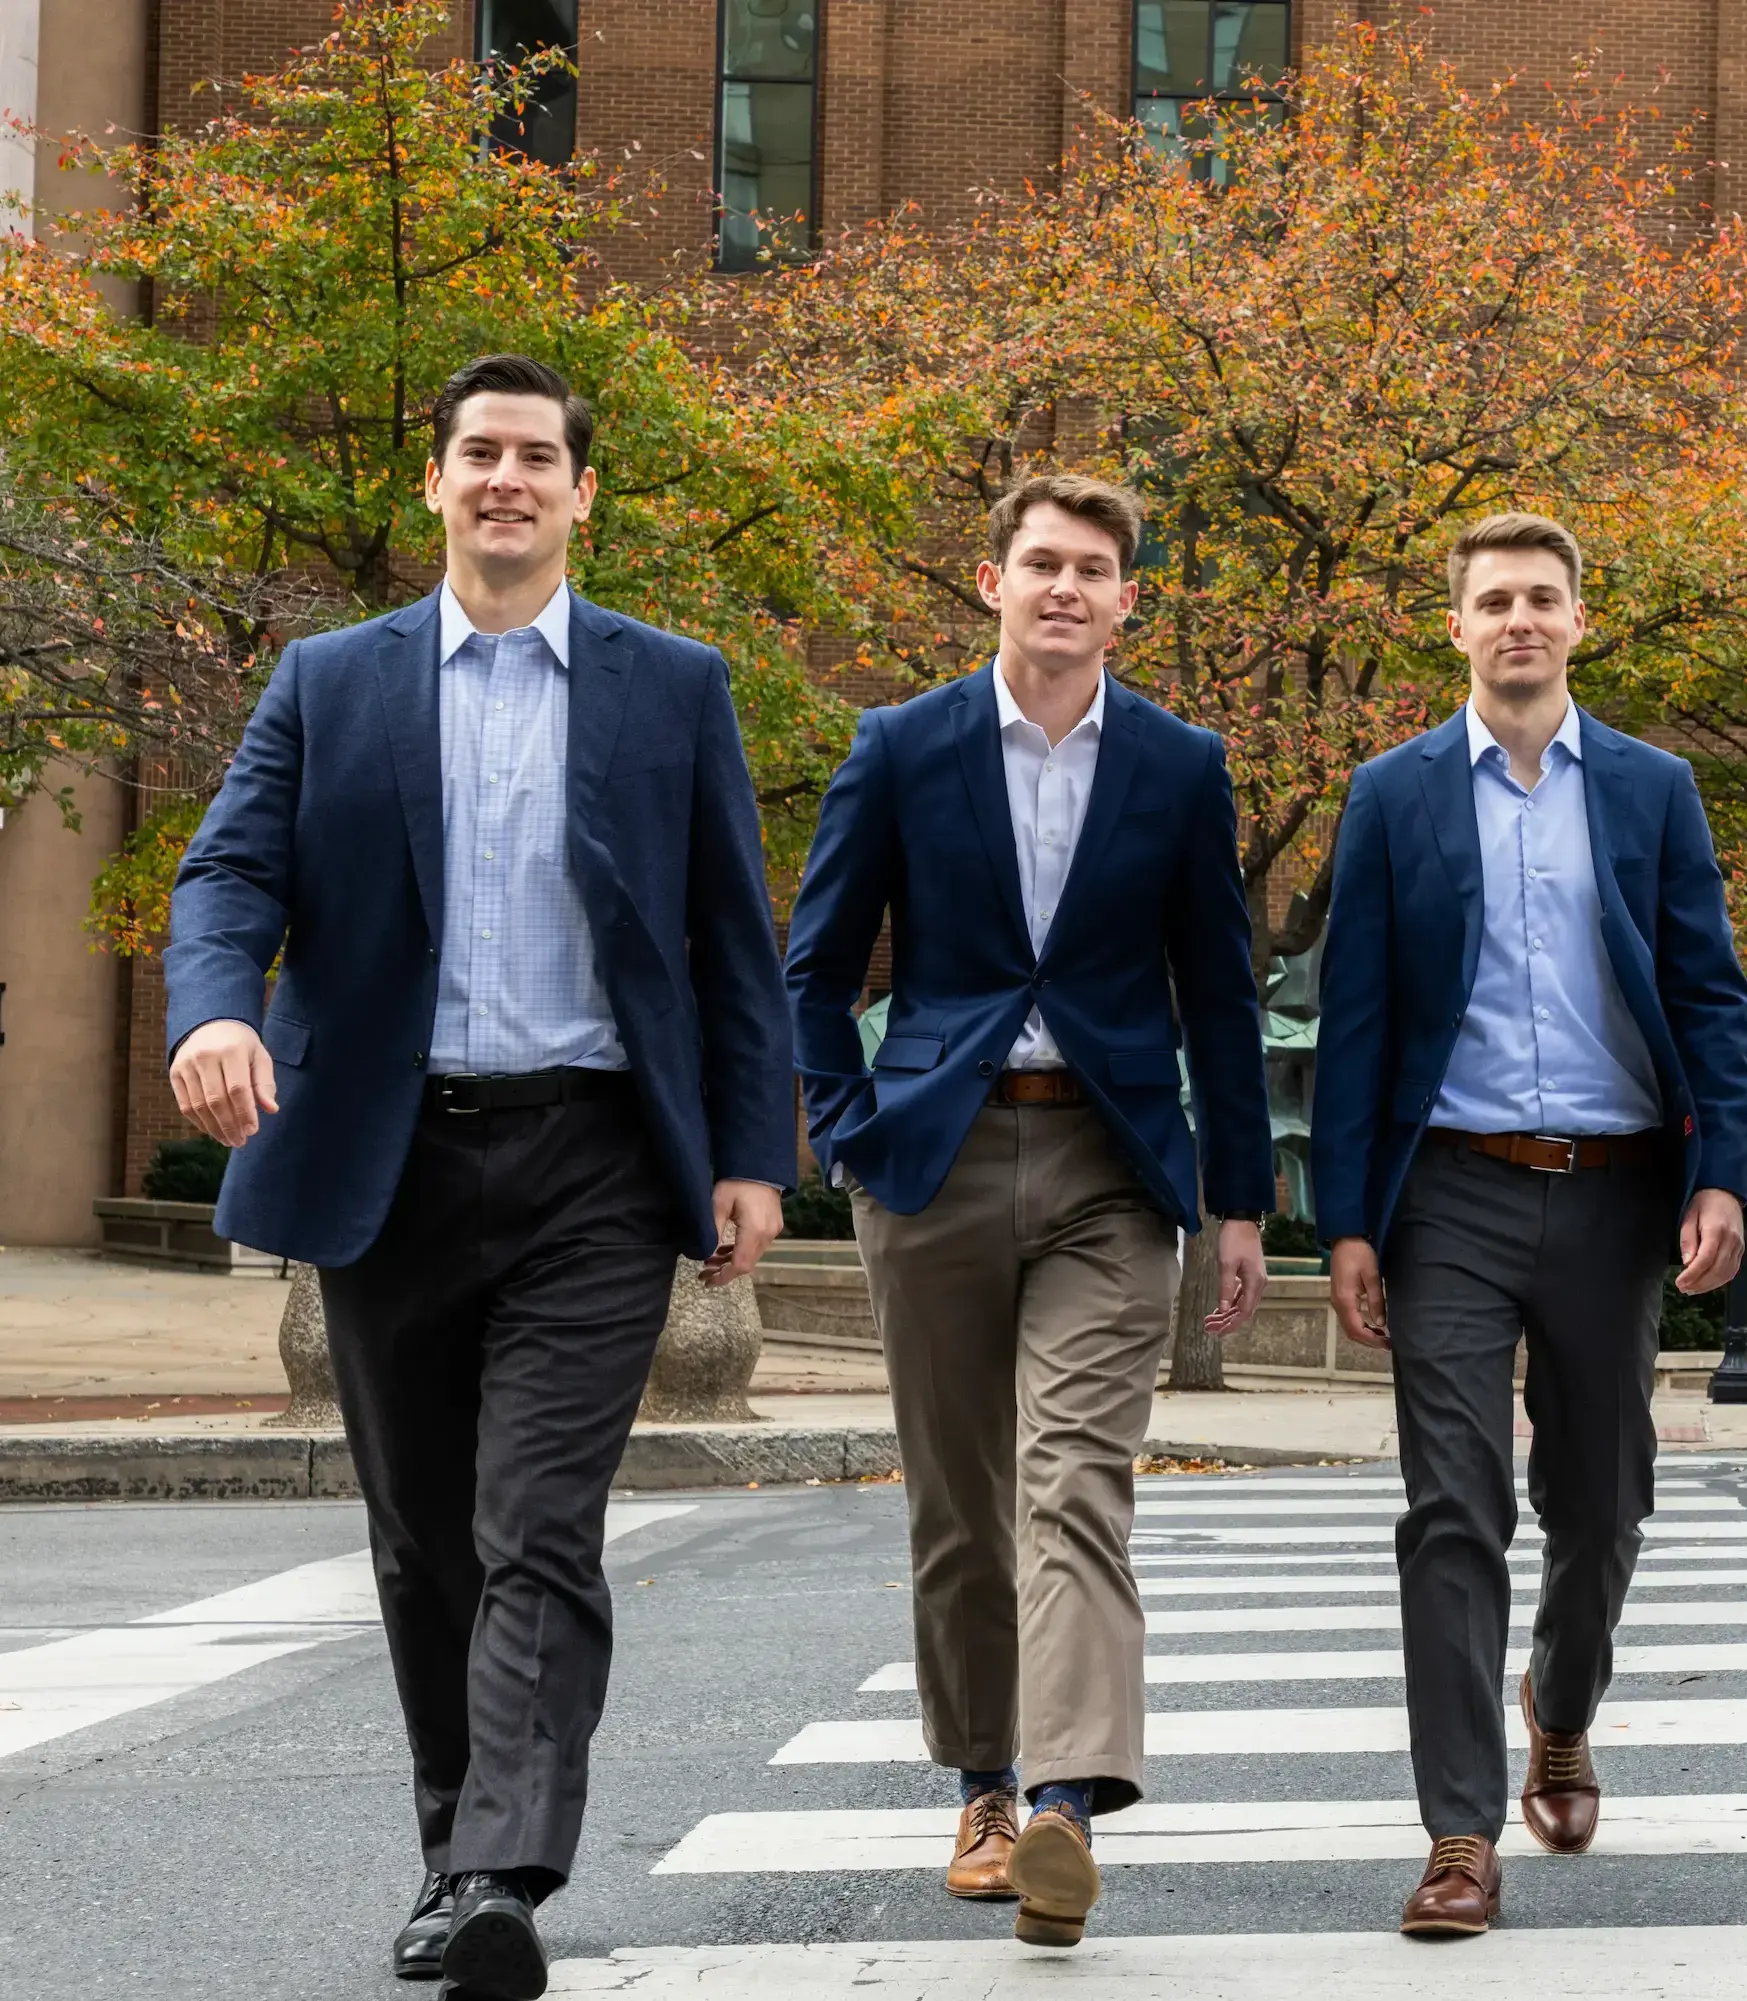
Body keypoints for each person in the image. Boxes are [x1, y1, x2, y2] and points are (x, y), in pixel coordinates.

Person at [162, 354, 794, 2000]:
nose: (505, 478)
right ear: (435, 486)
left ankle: (503, 1866)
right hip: (390, 1158)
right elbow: (229, 866)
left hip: (591, 1158)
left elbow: (736, 940)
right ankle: (460, 1850)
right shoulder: (330, 680)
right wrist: (218, 1008)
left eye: (536, 456)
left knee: (536, 1525)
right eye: (477, 455)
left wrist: (748, 1156)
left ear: (583, 494)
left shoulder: (674, 685)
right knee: (423, 1538)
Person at [781, 472, 1273, 1950]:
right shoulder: (903, 745)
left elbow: (1223, 996)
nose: (1066, 587)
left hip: (1111, 1169)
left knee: (1075, 1480)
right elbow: (816, 966)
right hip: (932, 1160)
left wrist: (1238, 1200)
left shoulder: (1184, 767)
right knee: (959, 1505)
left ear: (1130, 601)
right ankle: (983, 1784)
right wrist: (847, 1132)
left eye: (1095, 569)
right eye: (1041, 563)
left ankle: (1064, 1801)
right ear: (990, 579)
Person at [1311, 511, 1747, 1938]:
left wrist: (1723, 1175)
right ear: (1457, 628)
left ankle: (1560, 1709)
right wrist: (1349, 1224)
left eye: (1542, 599)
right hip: (1450, 1187)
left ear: (1578, 622)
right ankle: (1458, 1833)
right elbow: (1358, 1022)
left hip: (1620, 1186)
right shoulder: (1391, 797)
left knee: (1603, 1499)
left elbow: (1706, 998)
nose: (1518, 620)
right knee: (1452, 1507)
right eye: (1493, 600)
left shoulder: (1651, 788)